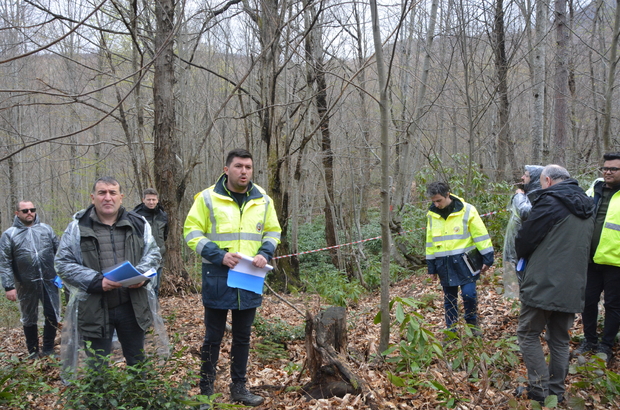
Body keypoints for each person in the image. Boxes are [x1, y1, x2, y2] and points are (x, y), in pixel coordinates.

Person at [184, 148, 281, 406]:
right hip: (218, 276)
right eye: (238, 166)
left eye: (248, 167)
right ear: (227, 169)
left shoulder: (264, 200)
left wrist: (265, 252)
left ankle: (239, 388)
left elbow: (273, 231)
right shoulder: (207, 198)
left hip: (250, 276)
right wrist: (219, 255)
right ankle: (206, 391)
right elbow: (191, 232)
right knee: (213, 337)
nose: (244, 171)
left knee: (243, 336)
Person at [55, 176, 165, 372]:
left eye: (112, 193)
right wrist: (97, 281)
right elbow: (62, 263)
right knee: (98, 368)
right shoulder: (78, 227)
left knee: (138, 363)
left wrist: (140, 274)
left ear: (121, 197)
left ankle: (139, 399)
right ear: (93, 197)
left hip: (131, 306)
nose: (107, 197)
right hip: (95, 307)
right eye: (102, 193)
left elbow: (154, 253)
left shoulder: (138, 223)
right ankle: (99, 403)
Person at [514, 165, 594, 403]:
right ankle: (556, 393)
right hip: (574, 283)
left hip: (543, 281)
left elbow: (526, 239)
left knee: (528, 334)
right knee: (559, 339)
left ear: (547, 180)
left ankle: (539, 390)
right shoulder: (589, 205)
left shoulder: (550, 202)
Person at [425, 182, 494, 335]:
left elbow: (480, 234)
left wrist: (488, 257)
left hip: (466, 262)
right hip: (444, 264)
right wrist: (431, 267)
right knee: (449, 300)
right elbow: (430, 242)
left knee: (469, 295)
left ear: (447, 195)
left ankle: (472, 325)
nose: (436, 204)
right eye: (433, 201)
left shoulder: (467, 210)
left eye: (438, 200)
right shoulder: (432, 215)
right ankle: (452, 330)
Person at [574, 152, 620, 365]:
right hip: (590, 259)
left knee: (613, 305)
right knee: (588, 302)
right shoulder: (594, 190)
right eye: (605, 168)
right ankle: (589, 340)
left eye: (613, 169)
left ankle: (606, 345)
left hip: (615, 262)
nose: (608, 172)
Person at [0, 201, 60, 358]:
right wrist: (8, 286)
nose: (29, 212)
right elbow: (5, 262)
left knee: (52, 314)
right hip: (25, 284)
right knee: (29, 318)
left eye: (32, 209)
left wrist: (61, 274)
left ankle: (48, 349)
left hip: (49, 281)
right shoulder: (9, 234)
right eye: (25, 210)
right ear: (17, 213)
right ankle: (33, 351)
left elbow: (59, 252)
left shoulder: (46, 230)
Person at [503, 165, 544, 298]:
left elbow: (525, 212)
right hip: (521, 251)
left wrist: (519, 196)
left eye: (526, 175)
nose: (522, 177)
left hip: (530, 252)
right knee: (523, 285)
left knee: (530, 287)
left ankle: (531, 314)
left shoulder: (539, 196)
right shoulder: (529, 195)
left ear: (536, 180)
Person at [133, 188, 169, 297]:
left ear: (157, 200)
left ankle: (154, 312)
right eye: (149, 200)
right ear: (143, 200)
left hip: (158, 257)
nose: (151, 202)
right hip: (142, 258)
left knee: (155, 287)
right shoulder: (136, 215)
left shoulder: (163, 215)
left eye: (154, 199)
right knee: (142, 287)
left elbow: (165, 234)